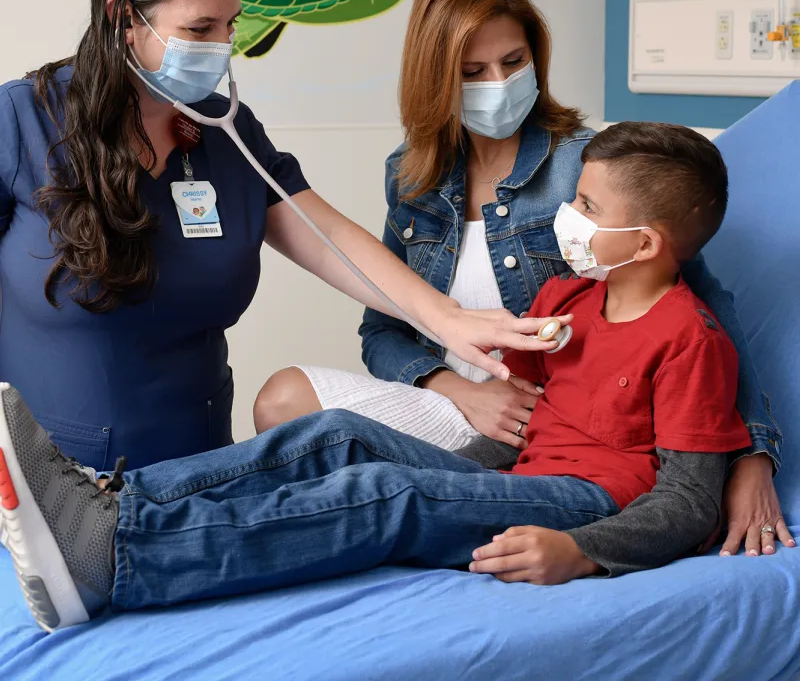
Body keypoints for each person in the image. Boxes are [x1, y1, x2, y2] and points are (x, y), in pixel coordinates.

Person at [2, 121, 792, 633]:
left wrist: (583, 551)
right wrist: (471, 457)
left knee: (388, 495)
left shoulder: (690, 338)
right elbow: (522, 419)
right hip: (519, 472)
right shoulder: (569, 297)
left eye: (586, 206)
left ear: (648, 243)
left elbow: (688, 501)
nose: (568, 219)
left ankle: (123, 558)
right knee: (342, 437)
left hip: (591, 499)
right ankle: (114, 502)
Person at [0, 0, 566, 479]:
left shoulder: (225, 132)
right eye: (200, 29)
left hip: (198, 470)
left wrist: (448, 320)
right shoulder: (20, 123)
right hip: (47, 477)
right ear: (122, 17)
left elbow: (328, 238)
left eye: (230, 25)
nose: (222, 47)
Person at [254, 0, 786, 558]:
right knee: (284, 403)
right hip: (454, 403)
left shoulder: (584, 168)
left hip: (538, 420)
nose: (500, 83)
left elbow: (703, 314)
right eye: (473, 71)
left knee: (373, 488)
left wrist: (753, 458)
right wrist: (454, 385)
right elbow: (382, 329)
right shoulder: (412, 176)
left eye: (514, 62)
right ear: (437, 79)